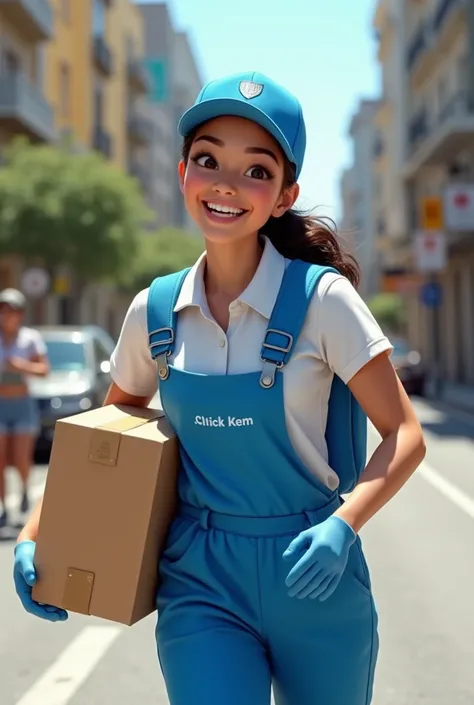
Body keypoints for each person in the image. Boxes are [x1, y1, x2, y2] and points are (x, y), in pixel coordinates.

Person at [13, 72, 426, 704]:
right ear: (183, 174)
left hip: (313, 572)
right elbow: (104, 435)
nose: (227, 184)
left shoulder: (325, 303)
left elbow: (404, 433)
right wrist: (36, 532)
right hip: (199, 578)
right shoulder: (153, 311)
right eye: (208, 160)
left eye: (256, 171)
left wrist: (345, 525)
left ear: (285, 195)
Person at [0, 288, 49, 528]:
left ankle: (24, 489)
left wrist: (20, 366)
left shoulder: (30, 338)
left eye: (13, 311)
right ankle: (3, 508)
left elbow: (43, 370)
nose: (8, 315)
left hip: (22, 404)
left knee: (21, 457)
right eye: (3, 310)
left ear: (20, 314)